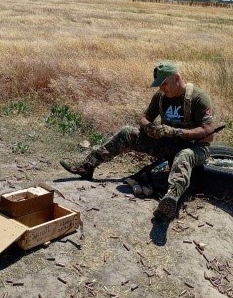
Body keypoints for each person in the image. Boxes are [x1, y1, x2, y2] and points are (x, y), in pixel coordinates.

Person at [60, 61, 217, 220]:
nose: (161, 88)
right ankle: (87, 166)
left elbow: (208, 129)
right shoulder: (161, 97)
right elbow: (144, 118)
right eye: (159, 85)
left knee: (184, 156)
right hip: (167, 144)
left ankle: (171, 199)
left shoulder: (198, 98)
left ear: (176, 78)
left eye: (164, 84)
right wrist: (149, 127)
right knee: (127, 133)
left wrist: (177, 132)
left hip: (195, 148)